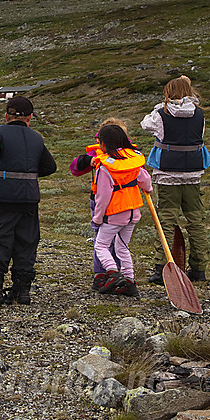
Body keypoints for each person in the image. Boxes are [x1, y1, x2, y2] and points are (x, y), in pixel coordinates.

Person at [0, 96, 56, 307]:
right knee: (27, 243)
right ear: (30, 117)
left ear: (6, 115)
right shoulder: (36, 138)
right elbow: (50, 167)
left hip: (4, 198)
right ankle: (22, 292)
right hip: (30, 199)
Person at [141, 75, 210, 283]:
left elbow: (145, 124)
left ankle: (161, 268)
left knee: (165, 220)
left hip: (168, 175)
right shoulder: (199, 114)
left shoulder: (160, 114)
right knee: (196, 221)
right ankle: (199, 269)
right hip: (193, 173)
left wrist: (159, 106)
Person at [89, 124, 153, 296]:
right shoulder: (132, 162)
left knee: (101, 245)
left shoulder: (105, 167)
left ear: (103, 144)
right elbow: (146, 183)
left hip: (115, 213)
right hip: (133, 212)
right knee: (122, 247)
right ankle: (129, 282)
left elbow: (102, 197)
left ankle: (112, 273)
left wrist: (97, 218)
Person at [70, 118, 130, 288]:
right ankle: (108, 273)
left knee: (105, 240)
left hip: (111, 203)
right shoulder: (100, 153)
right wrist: (85, 161)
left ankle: (109, 273)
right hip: (118, 203)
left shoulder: (123, 154)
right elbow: (75, 168)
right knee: (112, 240)